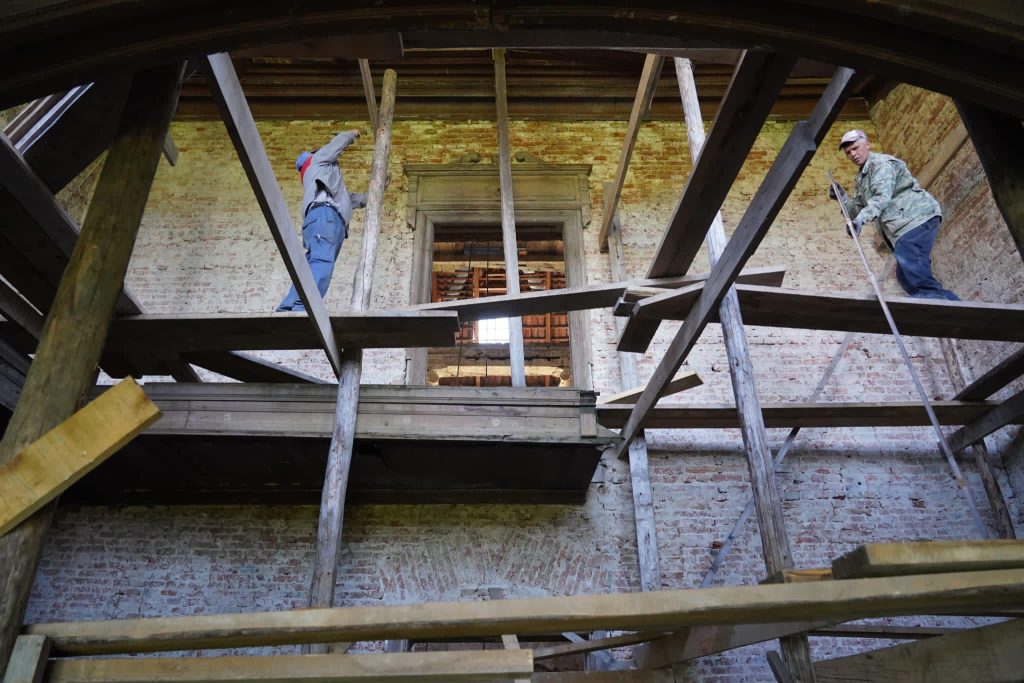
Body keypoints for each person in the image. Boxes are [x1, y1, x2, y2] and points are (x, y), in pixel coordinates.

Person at [830, 129, 959, 301]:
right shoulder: (862, 178)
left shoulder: (881, 164)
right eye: (848, 152)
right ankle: (945, 301)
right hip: (902, 228)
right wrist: (842, 198)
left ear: (867, 144)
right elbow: (856, 210)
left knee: (912, 264)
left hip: (916, 218)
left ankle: (935, 299)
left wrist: (860, 220)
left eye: (855, 148)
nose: (853, 154)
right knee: (905, 276)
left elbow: (881, 198)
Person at [276, 130, 367, 311]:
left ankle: (289, 306)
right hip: (325, 217)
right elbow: (335, 146)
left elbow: (353, 200)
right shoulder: (316, 161)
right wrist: (351, 134)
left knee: (312, 266)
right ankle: (304, 308)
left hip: (327, 221)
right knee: (322, 263)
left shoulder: (327, 181)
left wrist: (378, 192)